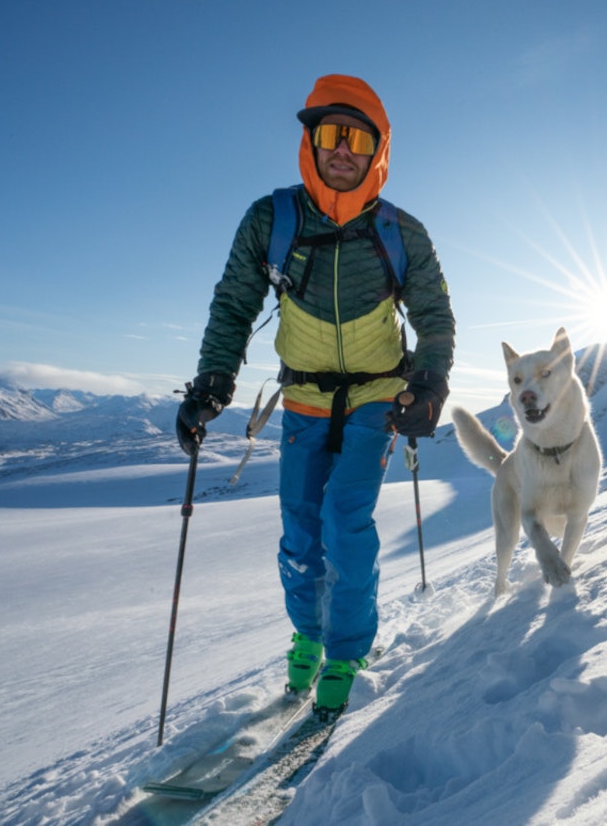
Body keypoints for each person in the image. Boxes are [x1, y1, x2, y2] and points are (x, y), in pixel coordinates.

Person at [176, 74, 455, 722]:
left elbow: (435, 316)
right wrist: (213, 381)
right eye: (330, 132)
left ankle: (347, 653)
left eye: (357, 137)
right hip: (302, 398)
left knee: (343, 521)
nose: (342, 148)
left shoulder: (399, 232)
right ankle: (308, 631)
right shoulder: (273, 221)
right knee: (300, 534)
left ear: (376, 150)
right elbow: (234, 305)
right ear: (311, 139)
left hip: (377, 399)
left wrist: (429, 383)